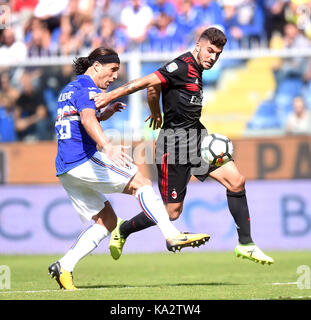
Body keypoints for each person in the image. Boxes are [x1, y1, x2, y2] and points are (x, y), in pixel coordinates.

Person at [94, 27, 274, 265]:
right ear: (198, 46)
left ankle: (246, 244)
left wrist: (156, 111)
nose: (213, 57)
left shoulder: (199, 71)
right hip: (173, 145)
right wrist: (109, 96)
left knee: (236, 181)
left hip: (198, 139)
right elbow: (147, 82)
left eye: (217, 54)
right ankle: (123, 229)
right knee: (171, 213)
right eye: (210, 51)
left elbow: (154, 89)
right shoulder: (180, 66)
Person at [48, 47, 210, 290]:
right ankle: (171, 233)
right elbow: (86, 119)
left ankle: (64, 266)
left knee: (107, 221)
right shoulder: (88, 89)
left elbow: (80, 117)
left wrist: (105, 114)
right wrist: (106, 146)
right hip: (83, 160)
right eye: (112, 70)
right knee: (142, 183)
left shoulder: (69, 89)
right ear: (96, 66)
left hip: (65, 169)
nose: (114, 77)